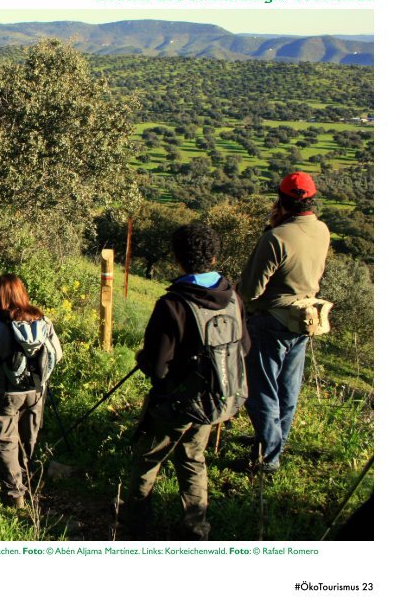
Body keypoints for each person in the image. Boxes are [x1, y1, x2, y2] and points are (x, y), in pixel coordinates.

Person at [123, 223, 250, 540]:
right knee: (193, 459)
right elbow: (244, 347)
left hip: (175, 404)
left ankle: (134, 528)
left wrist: (145, 361)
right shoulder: (233, 297)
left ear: (177, 259)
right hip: (213, 402)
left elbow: (158, 366)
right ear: (214, 256)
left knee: (146, 460)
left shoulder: (173, 304)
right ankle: (195, 529)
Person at [238, 171, 330, 472]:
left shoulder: (276, 237)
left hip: (270, 321)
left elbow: (251, 291)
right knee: (287, 390)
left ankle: (268, 457)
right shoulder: (322, 230)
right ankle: (274, 442)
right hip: (304, 318)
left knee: (262, 390)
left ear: (281, 199)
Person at [0, 274, 62, 508]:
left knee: (6, 442)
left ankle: (16, 497)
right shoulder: (43, 321)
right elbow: (57, 355)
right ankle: (28, 477)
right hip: (36, 392)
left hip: (5, 394)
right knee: (28, 438)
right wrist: (42, 380)